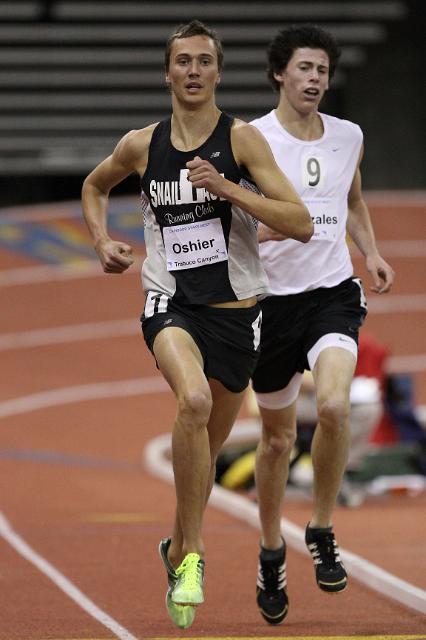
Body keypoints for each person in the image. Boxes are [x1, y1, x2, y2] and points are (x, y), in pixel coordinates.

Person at [81, 20, 313, 630]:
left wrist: (230, 191)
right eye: (181, 61)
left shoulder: (241, 142)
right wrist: (102, 239)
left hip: (237, 316)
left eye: (203, 61)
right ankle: (193, 557)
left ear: (217, 72)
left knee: (203, 459)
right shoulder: (141, 145)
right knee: (192, 399)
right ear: (167, 72)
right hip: (171, 305)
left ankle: (175, 542)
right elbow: (94, 184)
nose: (192, 71)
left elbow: (300, 222)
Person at [250, 25, 395, 625]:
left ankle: (322, 528)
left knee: (334, 406)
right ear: (281, 73)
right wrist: (270, 229)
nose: (316, 79)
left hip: (332, 293)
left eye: (323, 71)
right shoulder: (251, 139)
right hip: (269, 304)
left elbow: (352, 199)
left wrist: (373, 252)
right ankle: (270, 551)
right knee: (278, 440)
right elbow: (233, 225)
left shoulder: (348, 136)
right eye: (305, 68)